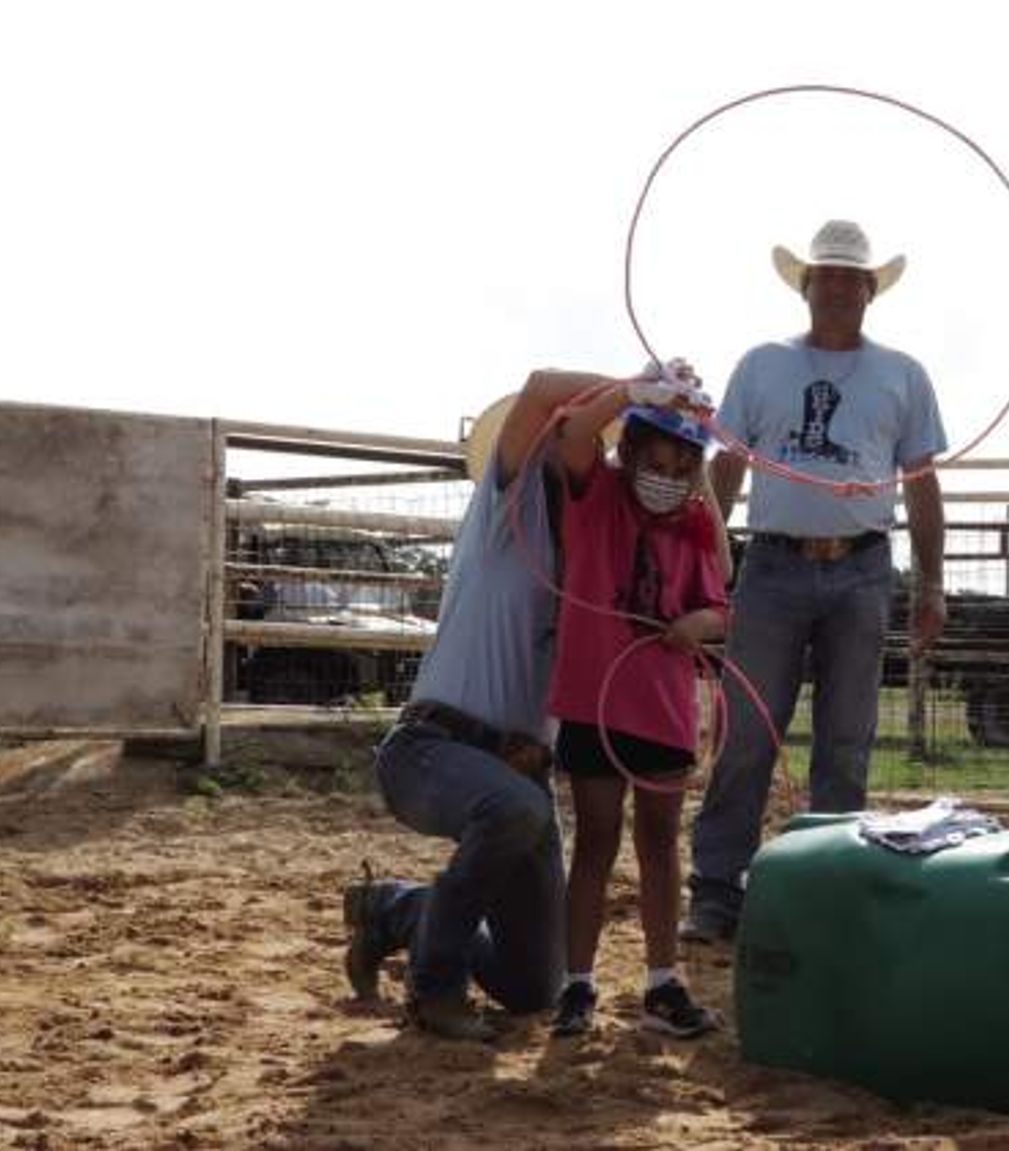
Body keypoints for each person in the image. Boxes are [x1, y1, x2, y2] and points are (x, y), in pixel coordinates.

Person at [341, 362, 702, 1041]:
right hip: (432, 747)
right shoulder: (505, 508)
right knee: (517, 809)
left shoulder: (604, 541)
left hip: (516, 768)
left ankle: (396, 911)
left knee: (532, 982)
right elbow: (540, 388)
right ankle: (436, 988)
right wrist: (638, 387)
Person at [683, 219, 949, 943]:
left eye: (848, 278)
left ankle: (827, 882)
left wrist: (931, 584)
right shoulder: (761, 364)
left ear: (869, 291)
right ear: (806, 287)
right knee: (746, 733)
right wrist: (708, 559)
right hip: (772, 562)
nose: (835, 287)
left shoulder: (904, 374)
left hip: (863, 565)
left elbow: (922, 487)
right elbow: (726, 470)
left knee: (846, 737)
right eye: (824, 275)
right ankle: (716, 888)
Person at [543, 385, 730, 1039]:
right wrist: (632, 390)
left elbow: (718, 606)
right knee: (595, 838)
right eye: (658, 464)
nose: (669, 481)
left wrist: (693, 623)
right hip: (596, 699)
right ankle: (577, 983)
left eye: (684, 471)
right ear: (629, 453)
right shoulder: (594, 501)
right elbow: (570, 433)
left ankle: (661, 981)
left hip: (662, 705)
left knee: (659, 841)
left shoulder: (698, 527)